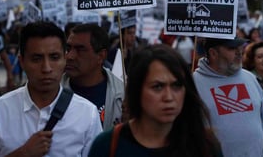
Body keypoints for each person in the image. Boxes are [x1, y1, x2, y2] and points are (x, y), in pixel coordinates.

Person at [0, 21, 102, 156]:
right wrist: (23, 153)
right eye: (37, 59)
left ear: (65, 59)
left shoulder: (87, 114)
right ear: (22, 62)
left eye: (54, 57)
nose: (46, 68)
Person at [88, 44, 223, 157]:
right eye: (157, 87)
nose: (169, 97)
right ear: (137, 90)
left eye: (176, 86)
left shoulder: (205, 145)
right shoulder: (108, 145)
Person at [194, 37, 263, 157]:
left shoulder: (249, 78)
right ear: (213, 53)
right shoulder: (194, 84)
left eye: (240, 47)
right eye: (232, 48)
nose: (239, 52)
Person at [62, 23, 124, 130]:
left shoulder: (123, 95)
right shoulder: (52, 92)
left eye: (80, 49)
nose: (70, 56)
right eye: (68, 49)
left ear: (101, 56)